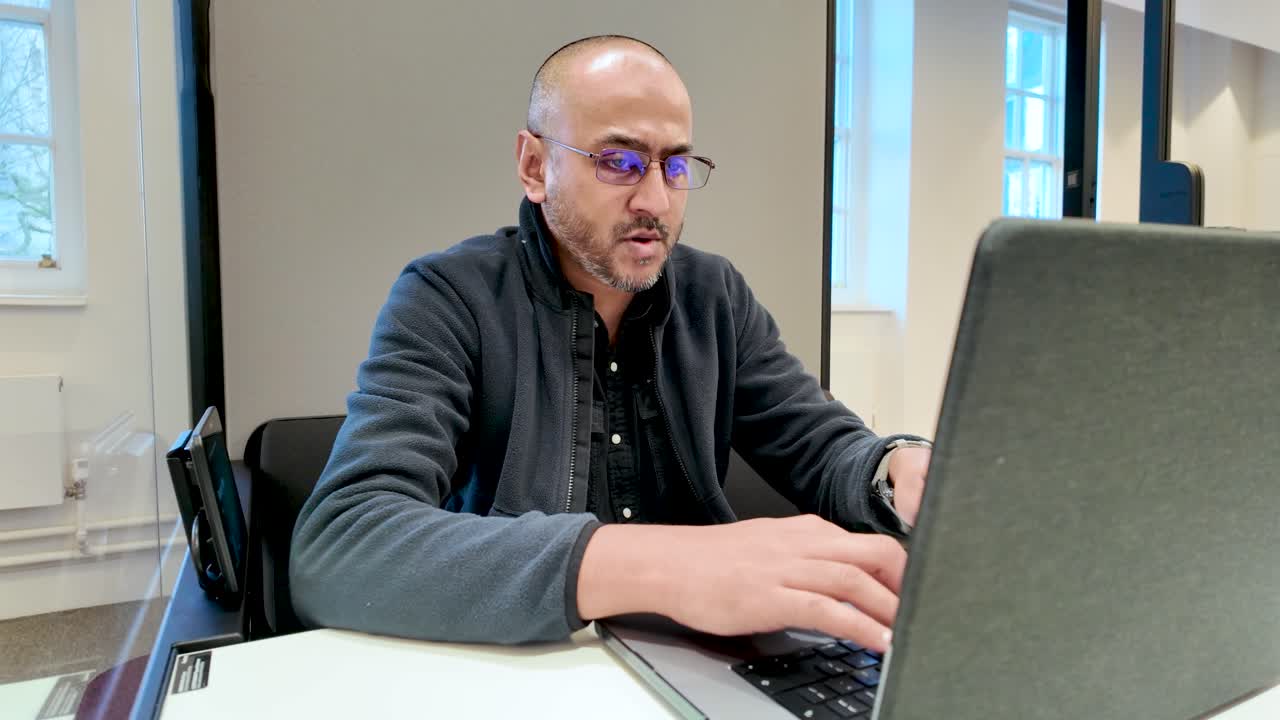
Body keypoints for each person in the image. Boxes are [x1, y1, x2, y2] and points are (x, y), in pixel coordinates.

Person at [290, 35, 932, 651]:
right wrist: (669, 566)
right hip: (526, 663)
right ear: (535, 166)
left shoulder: (714, 295)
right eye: (618, 162)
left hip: (703, 660)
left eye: (675, 165)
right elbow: (344, 542)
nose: (654, 199)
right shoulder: (450, 296)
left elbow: (821, 447)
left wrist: (895, 470)